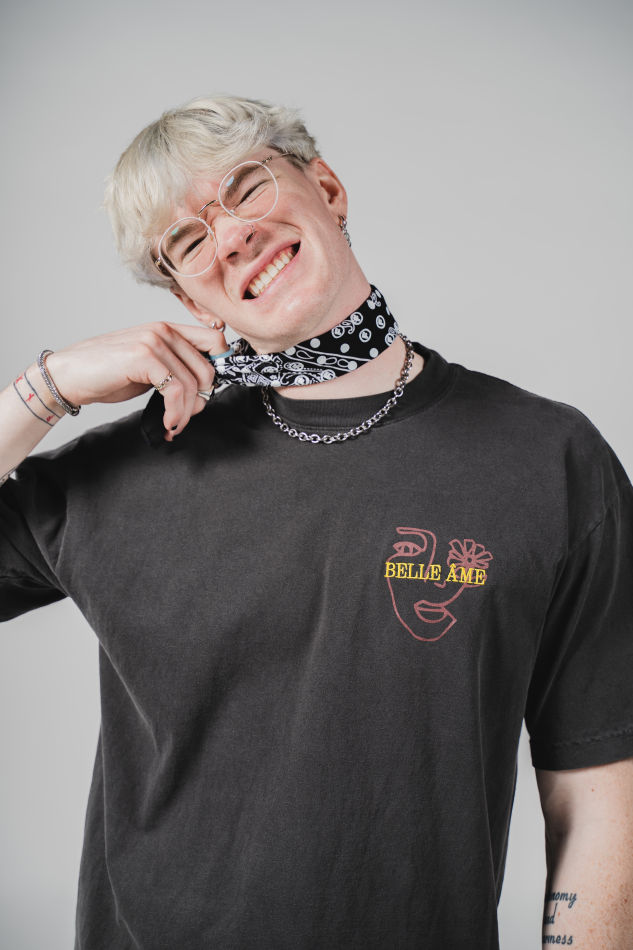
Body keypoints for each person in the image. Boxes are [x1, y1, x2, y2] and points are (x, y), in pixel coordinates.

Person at [1, 95, 632, 950]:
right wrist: (46, 388)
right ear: (186, 293)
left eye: (245, 188)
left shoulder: (547, 459)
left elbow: (599, 788)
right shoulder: (120, 472)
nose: (232, 236)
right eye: (188, 241)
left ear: (326, 189)